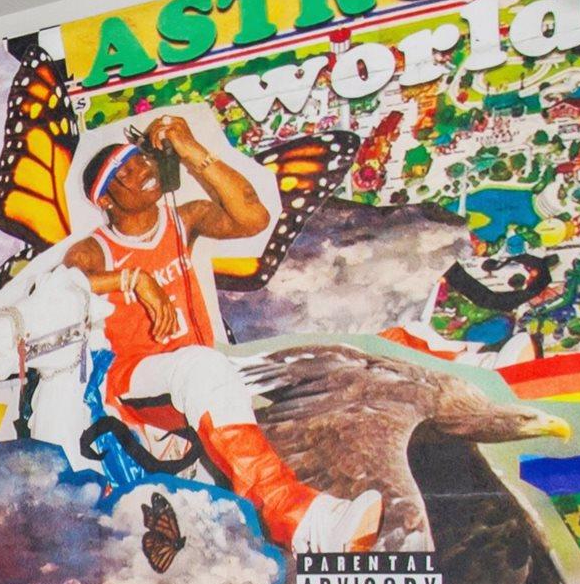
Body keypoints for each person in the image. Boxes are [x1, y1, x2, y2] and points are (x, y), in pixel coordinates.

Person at [57, 115, 381, 554]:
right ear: (107, 201)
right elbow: (61, 292)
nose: (140, 171)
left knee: (321, 366)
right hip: (136, 387)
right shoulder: (96, 248)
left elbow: (252, 217)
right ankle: (302, 521)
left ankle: (323, 517)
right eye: (123, 174)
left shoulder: (182, 220)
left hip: (194, 376)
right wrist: (132, 280)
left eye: (139, 161)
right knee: (204, 365)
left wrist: (190, 149)